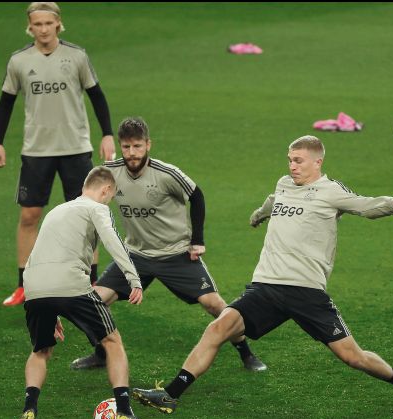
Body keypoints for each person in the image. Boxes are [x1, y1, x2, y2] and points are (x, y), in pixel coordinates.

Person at [130, 135, 393, 419]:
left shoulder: (330, 191)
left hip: (306, 291)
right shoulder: (285, 184)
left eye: (298, 160)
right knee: (218, 328)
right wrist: (259, 215)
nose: (292, 166)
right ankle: (171, 394)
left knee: (353, 357)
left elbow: (364, 206)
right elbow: (274, 200)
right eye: (290, 159)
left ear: (317, 162)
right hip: (267, 286)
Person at [70, 117, 268, 372]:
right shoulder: (110, 172)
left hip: (175, 254)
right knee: (94, 301)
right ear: (120, 146)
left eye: (137, 146)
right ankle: (102, 352)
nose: (132, 153)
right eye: (126, 147)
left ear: (148, 145)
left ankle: (246, 353)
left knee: (213, 303)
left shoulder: (166, 174)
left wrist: (197, 240)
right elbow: (89, 200)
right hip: (135, 255)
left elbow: (196, 196)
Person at [13, 166, 152, 419]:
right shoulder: (97, 208)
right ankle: (124, 411)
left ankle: (29, 409)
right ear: (106, 190)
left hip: (35, 287)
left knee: (41, 350)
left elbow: (36, 255)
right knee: (112, 342)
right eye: (110, 196)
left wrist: (49, 306)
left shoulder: (56, 211)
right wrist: (133, 279)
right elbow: (113, 241)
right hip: (72, 285)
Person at [0, 2, 116, 306]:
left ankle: (90, 282)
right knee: (29, 216)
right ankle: (24, 285)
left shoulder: (76, 56)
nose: (44, 29)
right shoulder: (19, 61)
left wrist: (107, 134)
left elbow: (97, 96)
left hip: (76, 148)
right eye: (38, 24)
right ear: (30, 27)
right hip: (37, 151)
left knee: (86, 216)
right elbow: (6, 102)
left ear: (58, 24)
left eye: (49, 23)